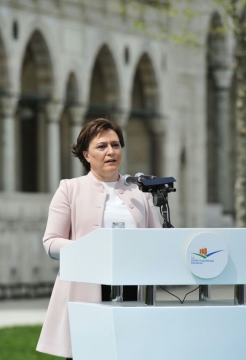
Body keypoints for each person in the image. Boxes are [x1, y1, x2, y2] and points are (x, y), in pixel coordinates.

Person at [36, 118, 160, 359]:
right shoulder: (69, 189)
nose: (111, 151)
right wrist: (94, 249)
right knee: (87, 351)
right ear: (86, 154)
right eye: (102, 146)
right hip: (85, 289)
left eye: (116, 145)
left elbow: (154, 240)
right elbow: (51, 242)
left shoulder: (140, 193)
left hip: (131, 288)